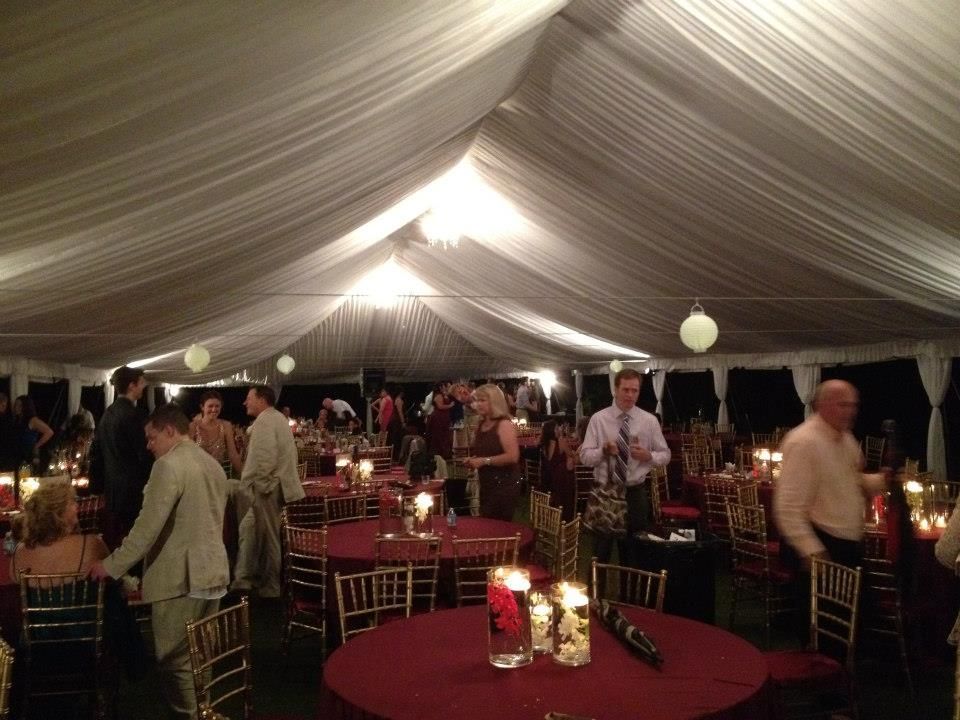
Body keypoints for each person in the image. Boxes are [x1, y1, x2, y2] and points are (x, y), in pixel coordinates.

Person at [89, 404, 229, 719]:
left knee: (174, 659)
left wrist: (110, 566)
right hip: (214, 571)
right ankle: (204, 710)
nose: (149, 446)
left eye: (152, 438)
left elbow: (146, 530)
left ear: (169, 430)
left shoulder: (168, 466)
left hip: (182, 578)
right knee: (201, 654)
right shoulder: (211, 463)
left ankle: (191, 715)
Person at [774, 380, 888, 571]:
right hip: (822, 546)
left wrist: (883, 480)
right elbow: (788, 507)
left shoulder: (846, 438)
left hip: (845, 545)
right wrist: (812, 551)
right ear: (821, 405)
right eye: (843, 405)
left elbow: (852, 480)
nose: (850, 411)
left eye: (853, 405)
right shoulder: (804, 442)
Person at [579, 368, 671, 564]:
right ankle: (597, 584)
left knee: (633, 554)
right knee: (600, 554)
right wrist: (603, 450)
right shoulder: (599, 419)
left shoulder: (649, 421)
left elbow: (666, 455)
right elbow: (585, 457)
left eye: (634, 390)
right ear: (615, 389)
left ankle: (629, 585)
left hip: (635, 492)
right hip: (606, 491)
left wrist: (649, 456)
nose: (630, 395)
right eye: (626, 390)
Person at [232, 385, 305, 598]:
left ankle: (270, 587)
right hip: (274, 485)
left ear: (261, 399)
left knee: (269, 537)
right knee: (248, 529)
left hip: (268, 488)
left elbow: (265, 458)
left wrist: (262, 486)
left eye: (249, 398)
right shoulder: (276, 418)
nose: (245, 402)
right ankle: (243, 579)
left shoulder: (265, 421)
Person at [89, 366, 153, 548]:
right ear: (132, 385)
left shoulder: (107, 414)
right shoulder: (134, 415)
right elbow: (144, 453)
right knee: (135, 540)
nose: (144, 386)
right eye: (141, 383)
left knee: (117, 539)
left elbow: (96, 453)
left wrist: (97, 486)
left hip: (112, 488)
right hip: (134, 490)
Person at [464, 384, 521, 521]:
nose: (478, 404)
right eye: (477, 400)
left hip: (504, 484)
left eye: (482, 400)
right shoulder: (481, 424)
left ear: (494, 401)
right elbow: (487, 451)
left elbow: (513, 456)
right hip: (486, 482)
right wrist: (473, 460)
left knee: (498, 524)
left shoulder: (504, 424)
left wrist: (484, 461)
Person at [188, 390, 243, 477]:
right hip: (196, 475)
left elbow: (232, 454)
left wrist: (244, 475)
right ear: (202, 407)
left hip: (218, 474)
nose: (214, 409)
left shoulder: (226, 425)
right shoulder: (193, 426)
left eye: (217, 406)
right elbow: (187, 454)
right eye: (210, 406)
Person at [13, 395, 54, 472]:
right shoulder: (18, 419)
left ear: (26, 407)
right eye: (16, 405)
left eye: (20, 405)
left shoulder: (32, 420)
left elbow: (49, 432)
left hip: (28, 454)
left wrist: (36, 445)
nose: (16, 407)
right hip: (18, 453)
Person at [427, 382, 453, 459]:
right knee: (439, 435)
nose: (444, 387)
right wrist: (450, 405)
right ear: (440, 387)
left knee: (444, 435)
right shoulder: (438, 395)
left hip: (443, 417)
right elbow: (440, 406)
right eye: (443, 386)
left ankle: (445, 453)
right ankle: (439, 453)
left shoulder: (443, 394)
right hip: (439, 417)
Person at [0, 393, 20, 472]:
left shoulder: (6, 418)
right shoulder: (5, 419)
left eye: (4, 405)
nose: (4, 408)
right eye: (3, 405)